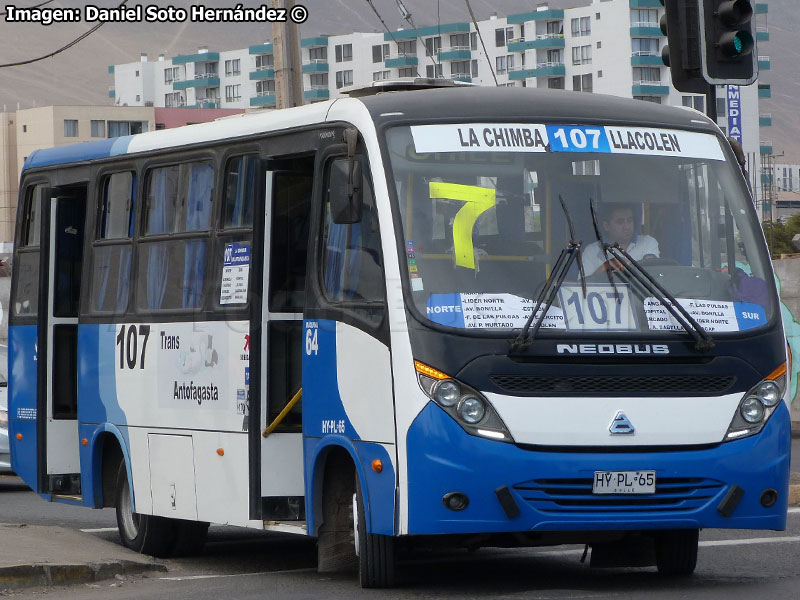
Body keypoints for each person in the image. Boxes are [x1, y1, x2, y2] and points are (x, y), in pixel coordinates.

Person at [581, 203, 659, 275]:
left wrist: (632, 267)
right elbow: (582, 286)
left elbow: (653, 273)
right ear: (606, 226)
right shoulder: (591, 251)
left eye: (629, 220)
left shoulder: (648, 242)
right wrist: (606, 267)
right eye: (620, 222)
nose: (627, 227)